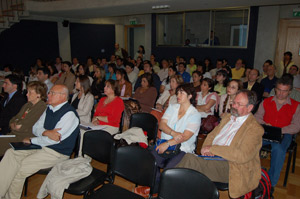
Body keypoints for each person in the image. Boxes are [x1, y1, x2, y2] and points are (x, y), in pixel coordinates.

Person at [176, 90, 263, 199]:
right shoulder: (228, 118)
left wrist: (213, 149)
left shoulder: (255, 129)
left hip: (232, 166)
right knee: (188, 167)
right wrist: (205, 150)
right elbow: (211, 136)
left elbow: (241, 155)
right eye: (234, 102)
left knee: (189, 161)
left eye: (238, 104)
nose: (234, 106)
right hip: (213, 157)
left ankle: (167, 190)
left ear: (250, 108)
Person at [0, 84, 80, 199]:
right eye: (49, 92)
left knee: (19, 170)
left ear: (62, 96)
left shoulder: (69, 114)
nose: (48, 95)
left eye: (52, 93)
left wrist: (33, 139)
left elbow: (54, 140)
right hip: (41, 146)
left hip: (56, 153)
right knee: (10, 154)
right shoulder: (49, 108)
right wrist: (47, 132)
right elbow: (36, 128)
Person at [136, 83, 201, 195]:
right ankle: (155, 186)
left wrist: (168, 144)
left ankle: (158, 190)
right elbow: (162, 125)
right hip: (165, 142)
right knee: (149, 160)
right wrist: (173, 133)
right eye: (178, 92)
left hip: (182, 148)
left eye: (182, 93)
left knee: (169, 171)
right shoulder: (173, 107)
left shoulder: (195, 115)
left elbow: (185, 136)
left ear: (190, 96)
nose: (178, 95)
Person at [255, 77, 300, 192]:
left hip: (284, 134)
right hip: (266, 131)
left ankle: (270, 182)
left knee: (279, 150)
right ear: (275, 89)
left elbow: (296, 126)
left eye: (284, 91)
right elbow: (257, 117)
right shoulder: (266, 101)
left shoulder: (296, 105)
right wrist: (265, 124)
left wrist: (281, 130)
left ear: (290, 91)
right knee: (252, 144)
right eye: (279, 90)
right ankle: (253, 174)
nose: (281, 93)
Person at [0, 81, 47, 156]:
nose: (27, 94)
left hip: (24, 138)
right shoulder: (27, 105)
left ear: (38, 95)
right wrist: (16, 125)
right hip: (14, 134)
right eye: (27, 92)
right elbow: (12, 120)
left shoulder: (41, 107)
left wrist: (16, 124)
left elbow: (22, 127)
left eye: (30, 92)